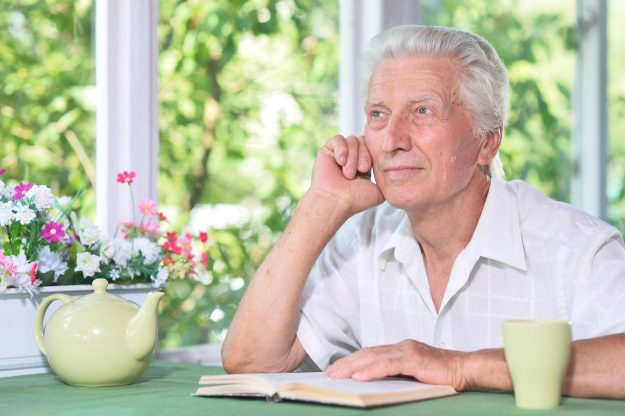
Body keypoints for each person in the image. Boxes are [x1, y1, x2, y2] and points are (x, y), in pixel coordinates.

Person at [221, 25, 625, 399]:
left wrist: (460, 366)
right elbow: (253, 360)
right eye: (378, 114)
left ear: (486, 141)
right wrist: (320, 204)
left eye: (422, 111)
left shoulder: (575, 247)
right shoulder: (361, 240)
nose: (392, 139)